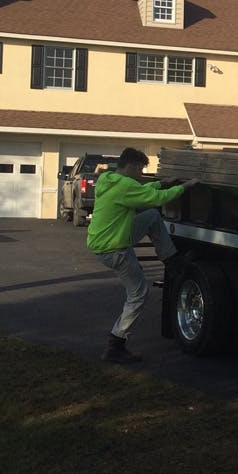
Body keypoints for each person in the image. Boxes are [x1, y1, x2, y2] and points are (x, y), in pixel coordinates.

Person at [87, 146, 197, 363]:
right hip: (114, 248)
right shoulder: (126, 186)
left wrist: (161, 182)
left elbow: (140, 189)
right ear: (131, 166)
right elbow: (156, 199)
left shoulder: (107, 179)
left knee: (150, 217)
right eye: (140, 170)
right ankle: (116, 344)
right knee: (138, 294)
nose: (141, 175)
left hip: (105, 239)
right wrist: (184, 187)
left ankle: (171, 261)